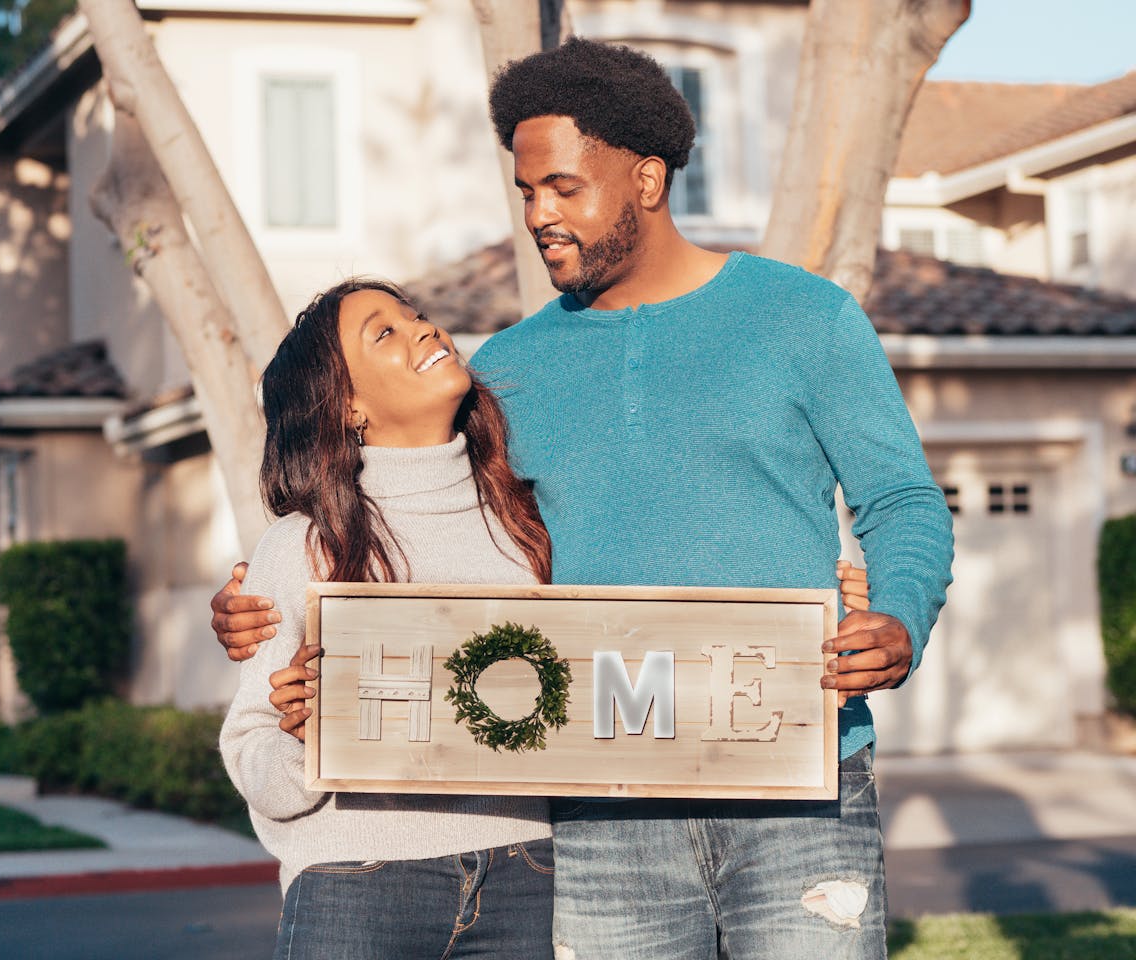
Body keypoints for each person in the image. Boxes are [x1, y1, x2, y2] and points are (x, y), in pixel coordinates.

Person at [213, 37, 953, 960]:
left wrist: (897, 615)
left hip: (801, 778)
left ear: (645, 178)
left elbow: (902, 502)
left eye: (563, 187)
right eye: (526, 192)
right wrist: (262, 603)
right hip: (600, 810)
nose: (539, 215)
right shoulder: (505, 373)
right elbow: (414, 510)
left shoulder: (807, 319)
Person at [220, 278, 556, 960]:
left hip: (529, 876)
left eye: (419, 317)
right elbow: (254, 756)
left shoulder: (530, 527)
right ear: (349, 406)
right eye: (385, 333)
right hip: (357, 883)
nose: (425, 330)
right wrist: (302, 737)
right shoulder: (302, 545)